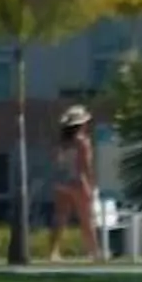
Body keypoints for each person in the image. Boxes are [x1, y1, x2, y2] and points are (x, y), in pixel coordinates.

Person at [51, 104, 101, 261]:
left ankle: (53, 251)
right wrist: (90, 184)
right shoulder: (82, 142)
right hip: (78, 181)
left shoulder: (62, 143)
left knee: (60, 217)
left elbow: (56, 161)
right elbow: (84, 165)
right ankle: (93, 252)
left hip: (61, 180)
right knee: (87, 218)